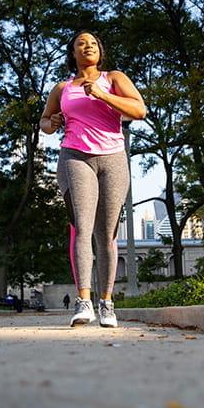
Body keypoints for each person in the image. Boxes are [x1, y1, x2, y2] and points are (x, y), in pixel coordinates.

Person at [40, 30, 146, 328]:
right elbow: (45, 122)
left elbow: (139, 110)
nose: (87, 47)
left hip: (113, 158)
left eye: (92, 44)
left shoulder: (113, 78)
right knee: (81, 228)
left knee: (107, 236)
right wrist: (52, 122)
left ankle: (107, 304)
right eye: (80, 44)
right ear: (72, 53)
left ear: (100, 51)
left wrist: (102, 94)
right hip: (75, 156)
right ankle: (84, 302)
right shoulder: (63, 88)